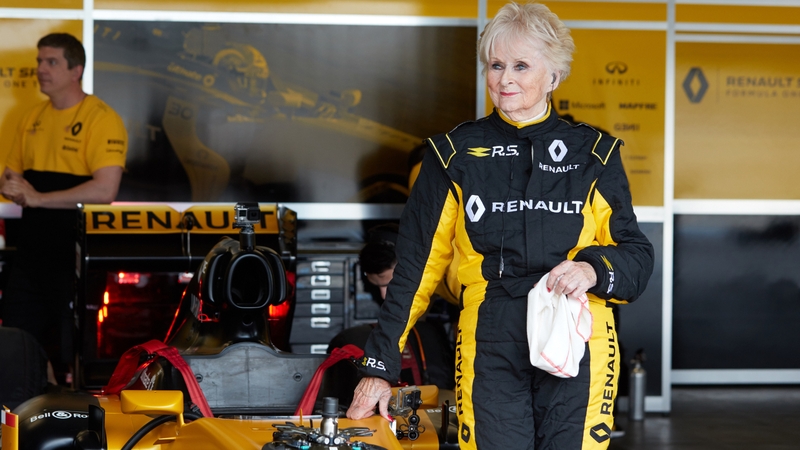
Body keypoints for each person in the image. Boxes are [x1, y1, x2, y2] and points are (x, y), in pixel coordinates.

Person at [346, 3, 654, 450]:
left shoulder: (595, 154)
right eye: (495, 65)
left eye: (521, 65)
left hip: (578, 336)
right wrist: (378, 367)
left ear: (554, 75)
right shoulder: (451, 155)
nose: (504, 79)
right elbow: (414, 267)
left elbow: (636, 257)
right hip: (490, 337)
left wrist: (592, 268)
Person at [0, 33, 128, 383]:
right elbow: (11, 176)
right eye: (39, 61)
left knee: (72, 349)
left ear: (76, 70)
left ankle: (75, 423)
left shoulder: (101, 118)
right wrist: (11, 186)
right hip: (30, 254)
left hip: (73, 256)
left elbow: (105, 190)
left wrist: (38, 197)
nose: (41, 69)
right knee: (17, 341)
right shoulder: (31, 117)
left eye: (51, 62)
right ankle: (30, 416)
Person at [327, 224, 457, 392]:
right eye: (378, 286)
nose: (383, 295)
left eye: (390, 284)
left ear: (406, 265)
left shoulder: (456, 267)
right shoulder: (421, 272)